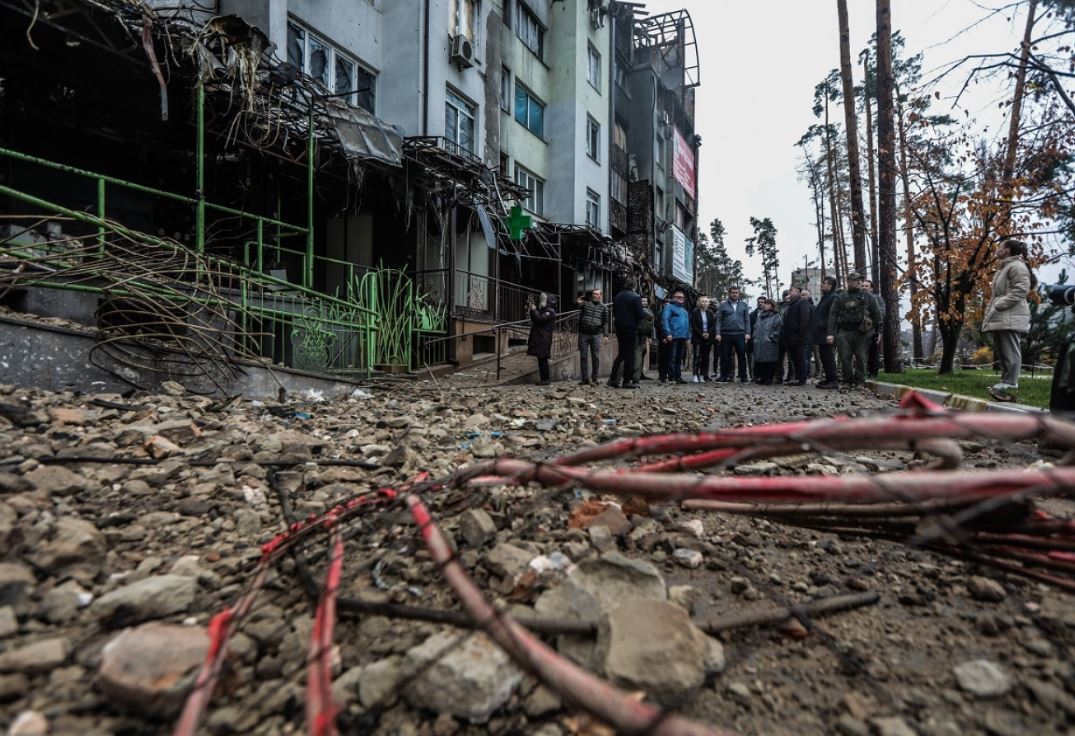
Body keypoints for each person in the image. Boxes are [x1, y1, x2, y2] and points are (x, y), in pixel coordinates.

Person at [982, 239, 1033, 401]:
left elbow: (1021, 290)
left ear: (1008, 250)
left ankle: (1011, 382)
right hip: (1003, 314)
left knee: (1010, 348)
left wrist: (999, 305)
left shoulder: (1017, 267)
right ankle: (1005, 381)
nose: (997, 250)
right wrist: (994, 307)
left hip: (1010, 313)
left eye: (1000, 247)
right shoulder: (1005, 267)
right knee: (1003, 350)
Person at [827, 271, 883, 387]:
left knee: (861, 356)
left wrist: (879, 332)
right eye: (855, 280)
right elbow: (833, 315)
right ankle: (847, 380)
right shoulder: (841, 297)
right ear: (849, 282)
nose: (859, 282)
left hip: (862, 332)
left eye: (860, 280)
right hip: (844, 330)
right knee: (844, 356)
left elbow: (877, 315)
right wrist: (830, 333)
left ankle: (859, 380)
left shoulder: (869, 297)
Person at [608, 279, 646, 389]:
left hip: (619, 327)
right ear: (635, 286)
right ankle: (626, 381)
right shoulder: (635, 297)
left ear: (625, 285)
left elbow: (614, 311)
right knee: (630, 355)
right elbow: (640, 315)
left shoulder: (618, 296)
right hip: (630, 328)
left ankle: (613, 379)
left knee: (621, 354)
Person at [715, 286, 751, 383]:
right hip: (726, 334)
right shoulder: (723, 305)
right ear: (729, 294)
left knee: (742, 356)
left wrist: (748, 333)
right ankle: (723, 376)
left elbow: (747, 320)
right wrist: (718, 333)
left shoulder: (743, 305)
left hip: (740, 334)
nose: (734, 294)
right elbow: (718, 320)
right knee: (725, 356)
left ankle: (743, 377)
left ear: (739, 294)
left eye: (736, 292)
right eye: (733, 292)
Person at [780, 285, 814, 386]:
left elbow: (805, 319)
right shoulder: (791, 304)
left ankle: (802, 379)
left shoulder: (802, 302)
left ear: (798, 292)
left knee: (801, 358)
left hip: (799, 338)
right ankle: (798, 377)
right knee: (795, 359)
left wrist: (801, 335)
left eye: (792, 290)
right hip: (790, 338)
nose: (789, 292)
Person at [811, 276, 839, 389]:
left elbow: (832, 316)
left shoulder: (833, 298)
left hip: (828, 332)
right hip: (821, 333)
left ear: (830, 286)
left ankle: (833, 380)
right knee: (824, 356)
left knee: (828, 356)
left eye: (824, 283)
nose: (821, 285)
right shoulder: (825, 298)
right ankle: (828, 379)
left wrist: (829, 332)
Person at [661, 289, 690, 384]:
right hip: (673, 337)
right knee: (671, 357)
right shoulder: (669, 307)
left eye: (682, 297)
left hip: (682, 337)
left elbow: (688, 325)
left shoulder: (684, 311)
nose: (681, 299)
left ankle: (678, 376)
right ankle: (672, 377)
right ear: (674, 298)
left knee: (679, 358)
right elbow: (665, 319)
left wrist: (688, 337)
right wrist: (668, 333)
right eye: (678, 297)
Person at [527, 293, 557, 385]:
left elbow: (539, 319)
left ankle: (546, 380)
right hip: (541, 336)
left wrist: (534, 309)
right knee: (541, 358)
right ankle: (544, 379)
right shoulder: (544, 310)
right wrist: (533, 310)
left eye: (544, 299)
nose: (541, 301)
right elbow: (535, 319)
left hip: (544, 337)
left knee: (543, 358)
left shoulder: (550, 311)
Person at [752, 298, 783, 384]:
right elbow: (755, 328)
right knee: (760, 361)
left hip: (770, 343)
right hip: (759, 342)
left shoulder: (776, 316)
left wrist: (771, 338)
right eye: (765, 303)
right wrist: (755, 338)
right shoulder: (760, 317)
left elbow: (778, 329)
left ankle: (769, 378)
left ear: (772, 306)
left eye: (767, 303)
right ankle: (761, 378)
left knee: (770, 362)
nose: (765, 305)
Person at [862, 280, 885, 378]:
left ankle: (872, 373)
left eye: (866, 286)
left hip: (872, 329)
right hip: (859, 331)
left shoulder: (877, 299)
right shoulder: (858, 298)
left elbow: (881, 314)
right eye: (862, 285)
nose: (864, 287)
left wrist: (879, 331)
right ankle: (862, 373)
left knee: (873, 352)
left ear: (871, 288)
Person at [690, 296, 715, 382]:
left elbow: (713, 325)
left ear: (708, 303)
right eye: (702, 301)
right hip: (698, 337)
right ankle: (695, 375)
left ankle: (702, 375)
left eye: (706, 301)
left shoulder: (710, 313)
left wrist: (708, 333)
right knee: (697, 356)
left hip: (708, 338)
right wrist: (702, 334)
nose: (704, 303)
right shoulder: (695, 312)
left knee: (706, 357)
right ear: (699, 302)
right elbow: (693, 325)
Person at [747, 296, 764, 381]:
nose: (760, 303)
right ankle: (754, 376)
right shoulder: (752, 315)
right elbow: (749, 327)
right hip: (754, 339)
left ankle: (763, 375)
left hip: (765, 340)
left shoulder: (770, 314)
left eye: (762, 302)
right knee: (753, 359)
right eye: (759, 302)